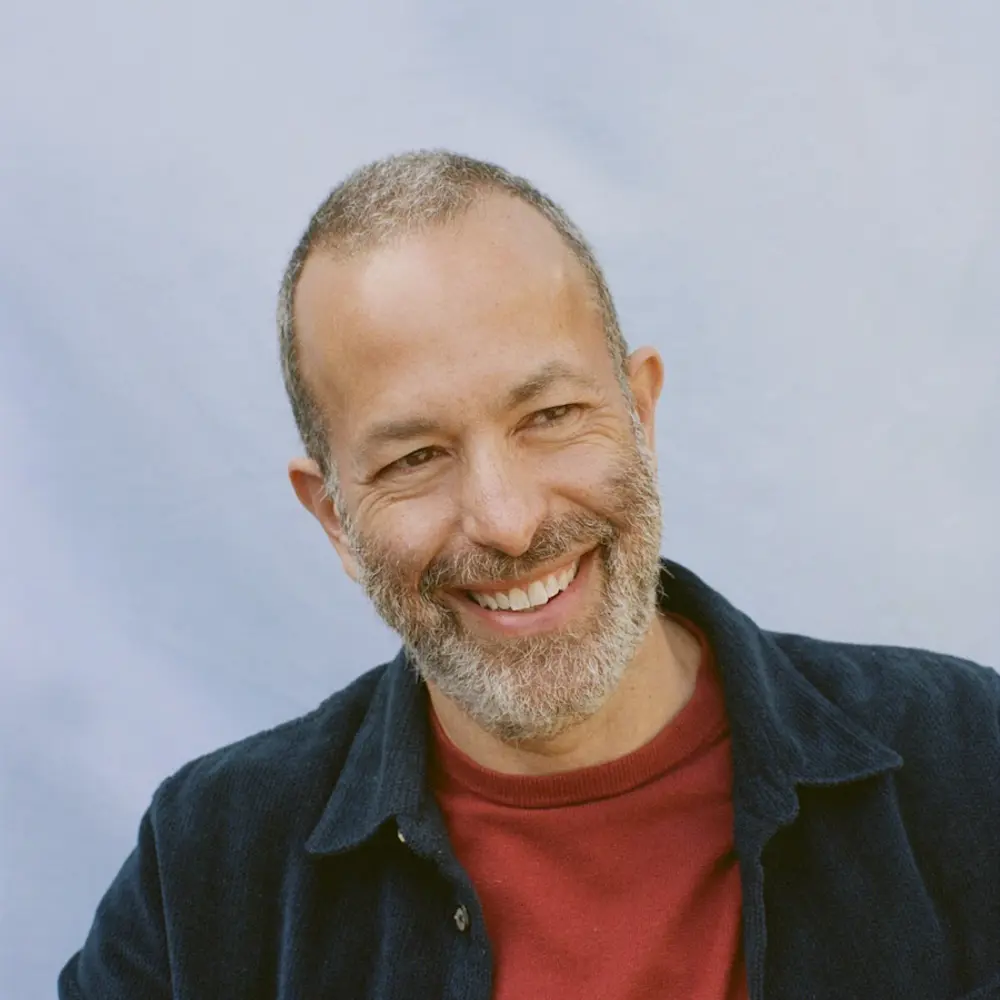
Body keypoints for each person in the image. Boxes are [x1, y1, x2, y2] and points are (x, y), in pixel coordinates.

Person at [59, 151, 1000, 1000]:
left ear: (641, 413)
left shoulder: (968, 765)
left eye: (549, 415)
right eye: (415, 458)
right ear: (334, 520)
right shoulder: (208, 868)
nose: (509, 522)